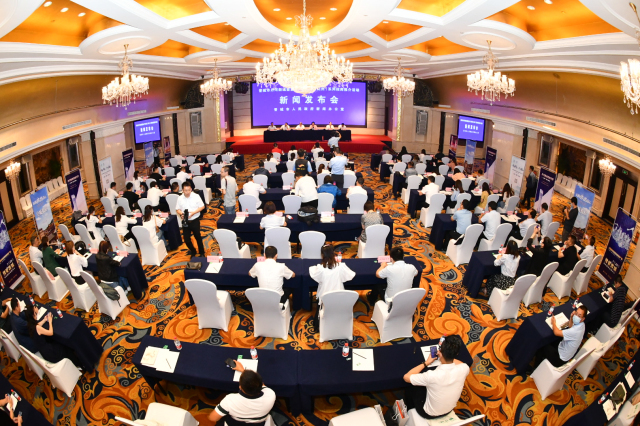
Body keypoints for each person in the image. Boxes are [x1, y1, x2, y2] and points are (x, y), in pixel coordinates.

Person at [403, 335, 470, 420]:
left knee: (412, 386)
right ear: (457, 354)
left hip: (428, 413)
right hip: (449, 410)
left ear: (440, 351)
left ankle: (409, 408)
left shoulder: (432, 375)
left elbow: (406, 377)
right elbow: (460, 363)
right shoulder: (465, 368)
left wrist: (427, 363)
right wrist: (446, 356)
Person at [208, 365, 276, 426]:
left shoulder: (229, 400)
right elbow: (261, 385)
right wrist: (244, 371)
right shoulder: (270, 394)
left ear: (240, 387)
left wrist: (243, 371)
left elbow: (212, 418)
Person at [309, 244, 356, 322]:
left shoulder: (320, 268)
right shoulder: (341, 266)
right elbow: (351, 275)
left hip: (325, 297)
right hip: (339, 295)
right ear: (333, 253)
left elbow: (313, 273)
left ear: (322, 255)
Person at [531, 306, 587, 370]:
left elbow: (556, 332)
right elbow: (570, 327)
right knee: (553, 340)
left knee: (543, 345)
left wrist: (553, 322)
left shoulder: (575, 331)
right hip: (564, 350)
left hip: (560, 358)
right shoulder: (582, 325)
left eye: (579, 316)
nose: (576, 316)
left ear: (583, 319)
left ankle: (535, 367)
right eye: (576, 313)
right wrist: (571, 317)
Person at [176, 182, 205, 256]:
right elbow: (177, 209)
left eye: (189, 190)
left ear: (191, 189)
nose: (187, 192)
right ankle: (193, 251)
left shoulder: (196, 196)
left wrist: (194, 213)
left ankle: (202, 252)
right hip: (185, 221)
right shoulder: (180, 198)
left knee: (198, 237)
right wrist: (181, 214)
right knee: (187, 240)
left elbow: (202, 206)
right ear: (182, 190)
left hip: (195, 220)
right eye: (186, 190)